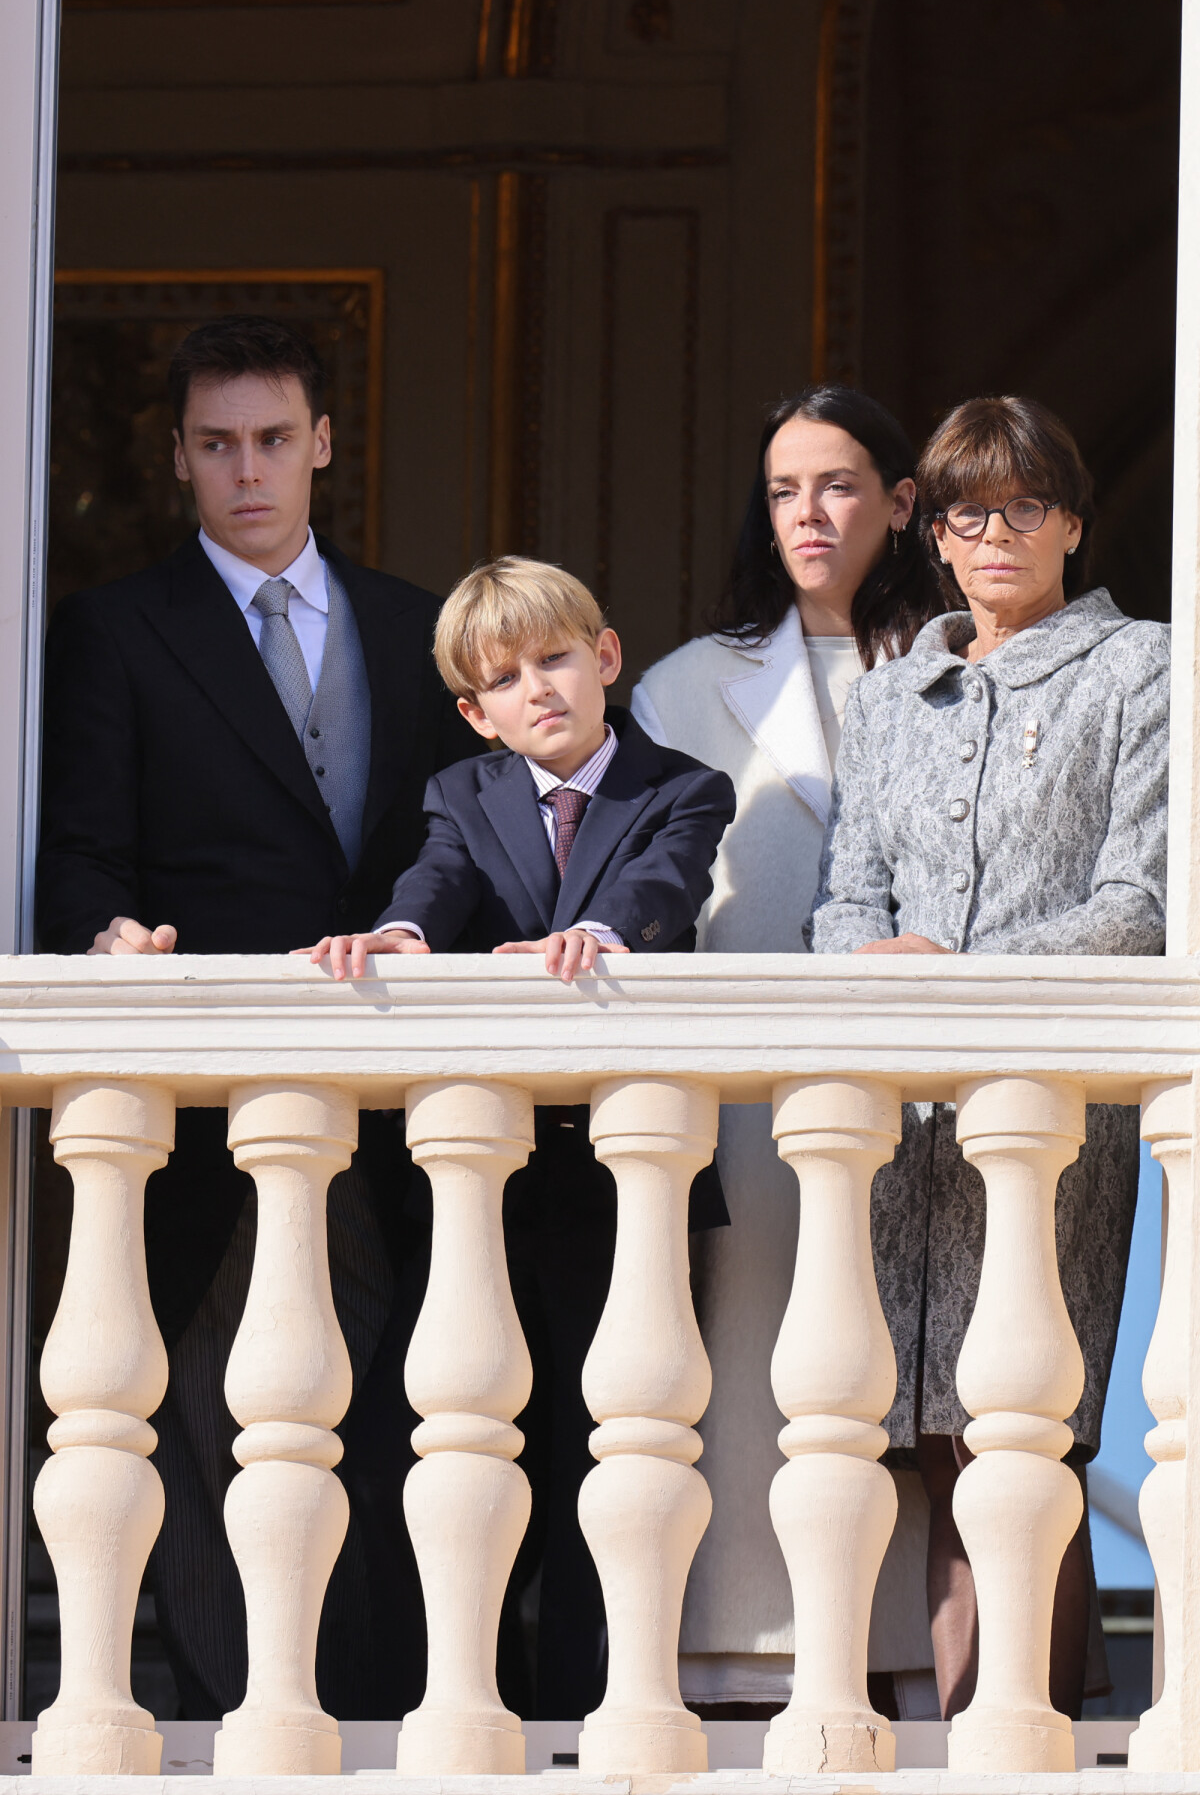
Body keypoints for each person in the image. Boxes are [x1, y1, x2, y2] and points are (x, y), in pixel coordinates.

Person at [36, 315, 484, 1719]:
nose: (249, 469)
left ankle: (379, 1702)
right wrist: (109, 934)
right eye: (218, 443)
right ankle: (240, 1702)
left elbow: (462, 834)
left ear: (323, 443)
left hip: (399, 1096)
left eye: (274, 439)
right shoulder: (113, 629)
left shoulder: (420, 628)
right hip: (210, 1096)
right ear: (178, 457)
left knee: (405, 1400)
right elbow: (82, 848)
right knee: (207, 1403)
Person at [307, 554, 736, 1717]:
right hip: (480, 1192)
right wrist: (400, 931)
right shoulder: (462, 793)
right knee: (444, 1439)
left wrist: (598, 929)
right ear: (475, 711)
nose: (537, 687)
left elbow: (665, 883)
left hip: (619, 1189)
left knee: (605, 1448)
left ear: (604, 658)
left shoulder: (683, 786)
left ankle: (594, 1716)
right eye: (505, 676)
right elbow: (436, 881)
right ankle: (454, 1704)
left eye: (556, 657)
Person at [811, 394, 1170, 1720]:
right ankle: (969, 1720)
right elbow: (849, 893)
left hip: (1050, 1105)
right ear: (938, 533)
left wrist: (960, 979)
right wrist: (876, 967)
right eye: (970, 510)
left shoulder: (1147, 669)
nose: (998, 533)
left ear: (1073, 519)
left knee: (1024, 1412)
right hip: (903, 1115)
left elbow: (1139, 900)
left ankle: (1028, 1720)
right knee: (898, 1416)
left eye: (1027, 505)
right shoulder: (892, 697)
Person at [629, 387, 956, 1715]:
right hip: (740, 1108)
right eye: (781, 489)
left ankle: (911, 1667)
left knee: (902, 1381)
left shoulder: (961, 658)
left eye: (834, 483)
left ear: (900, 501)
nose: (806, 513)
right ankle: (733, 1663)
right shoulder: (682, 681)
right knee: (747, 1372)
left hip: (918, 1096)